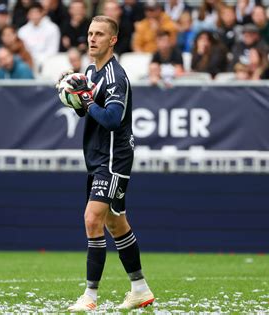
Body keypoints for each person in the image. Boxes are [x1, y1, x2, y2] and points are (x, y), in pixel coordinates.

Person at [60, 15, 155, 311]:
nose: (92, 39)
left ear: (112, 40)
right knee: (116, 223)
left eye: (99, 34)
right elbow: (86, 111)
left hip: (113, 159)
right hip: (98, 156)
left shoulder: (116, 77)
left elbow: (112, 119)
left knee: (92, 219)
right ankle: (140, 288)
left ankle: (90, 296)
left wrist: (87, 101)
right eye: (90, 33)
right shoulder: (91, 70)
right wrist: (73, 96)